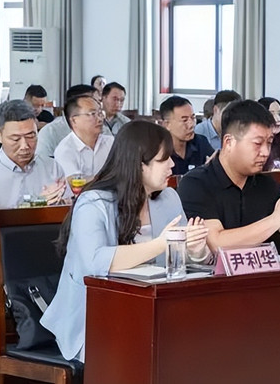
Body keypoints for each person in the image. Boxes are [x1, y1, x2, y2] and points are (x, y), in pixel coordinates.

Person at [42, 121, 210, 363]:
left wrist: (196, 250)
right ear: (139, 164)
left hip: (155, 310)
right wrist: (162, 243)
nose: (172, 165)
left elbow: (182, 260)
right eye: (163, 160)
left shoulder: (169, 198)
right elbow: (95, 263)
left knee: (202, 345)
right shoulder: (93, 203)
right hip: (98, 317)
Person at [178, 100, 280, 253]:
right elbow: (216, 243)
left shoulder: (266, 184)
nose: (266, 152)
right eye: (257, 143)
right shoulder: (196, 184)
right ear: (229, 142)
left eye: (269, 143)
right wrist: (276, 218)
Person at [0, 100, 67, 231]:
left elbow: (69, 213)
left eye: (31, 136)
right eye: (15, 139)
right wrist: (30, 209)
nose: (25, 146)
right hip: (5, 242)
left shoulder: (53, 167)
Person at [54, 95, 114, 178]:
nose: (100, 119)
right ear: (74, 120)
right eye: (92, 114)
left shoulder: (111, 143)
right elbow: (75, 182)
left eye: (100, 113)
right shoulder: (65, 150)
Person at [36, 84, 100, 158]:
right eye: (94, 102)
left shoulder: (102, 129)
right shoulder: (50, 132)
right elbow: (43, 162)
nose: (99, 106)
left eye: (99, 102)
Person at [159, 95, 214, 175]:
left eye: (193, 118)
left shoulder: (201, 143)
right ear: (167, 124)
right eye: (184, 120)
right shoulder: (158, 150)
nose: (191, 125)